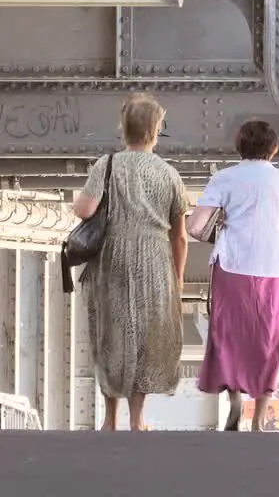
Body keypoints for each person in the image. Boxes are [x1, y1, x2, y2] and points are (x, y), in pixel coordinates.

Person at [187, 119, 279, 432]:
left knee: (229, 334)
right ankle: (258, 419)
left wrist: (219, 230)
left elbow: (194, 226)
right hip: (275, 271)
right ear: (273, 149)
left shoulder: (224, 178)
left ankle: (234, 396)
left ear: (239, 147)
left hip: (232, 265)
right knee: (269, 340)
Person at [72, 92, 189, 431]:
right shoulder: (169, 174)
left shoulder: (106, 165)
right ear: (156, 131)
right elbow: (179, 236)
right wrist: (177, 277)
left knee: (112, 332)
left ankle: (109, 419)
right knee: (146, 338)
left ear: (123, 129)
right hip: (154, 261)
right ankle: (137, 419)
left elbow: (85, 210)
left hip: (112, 257)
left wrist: (75, 205)